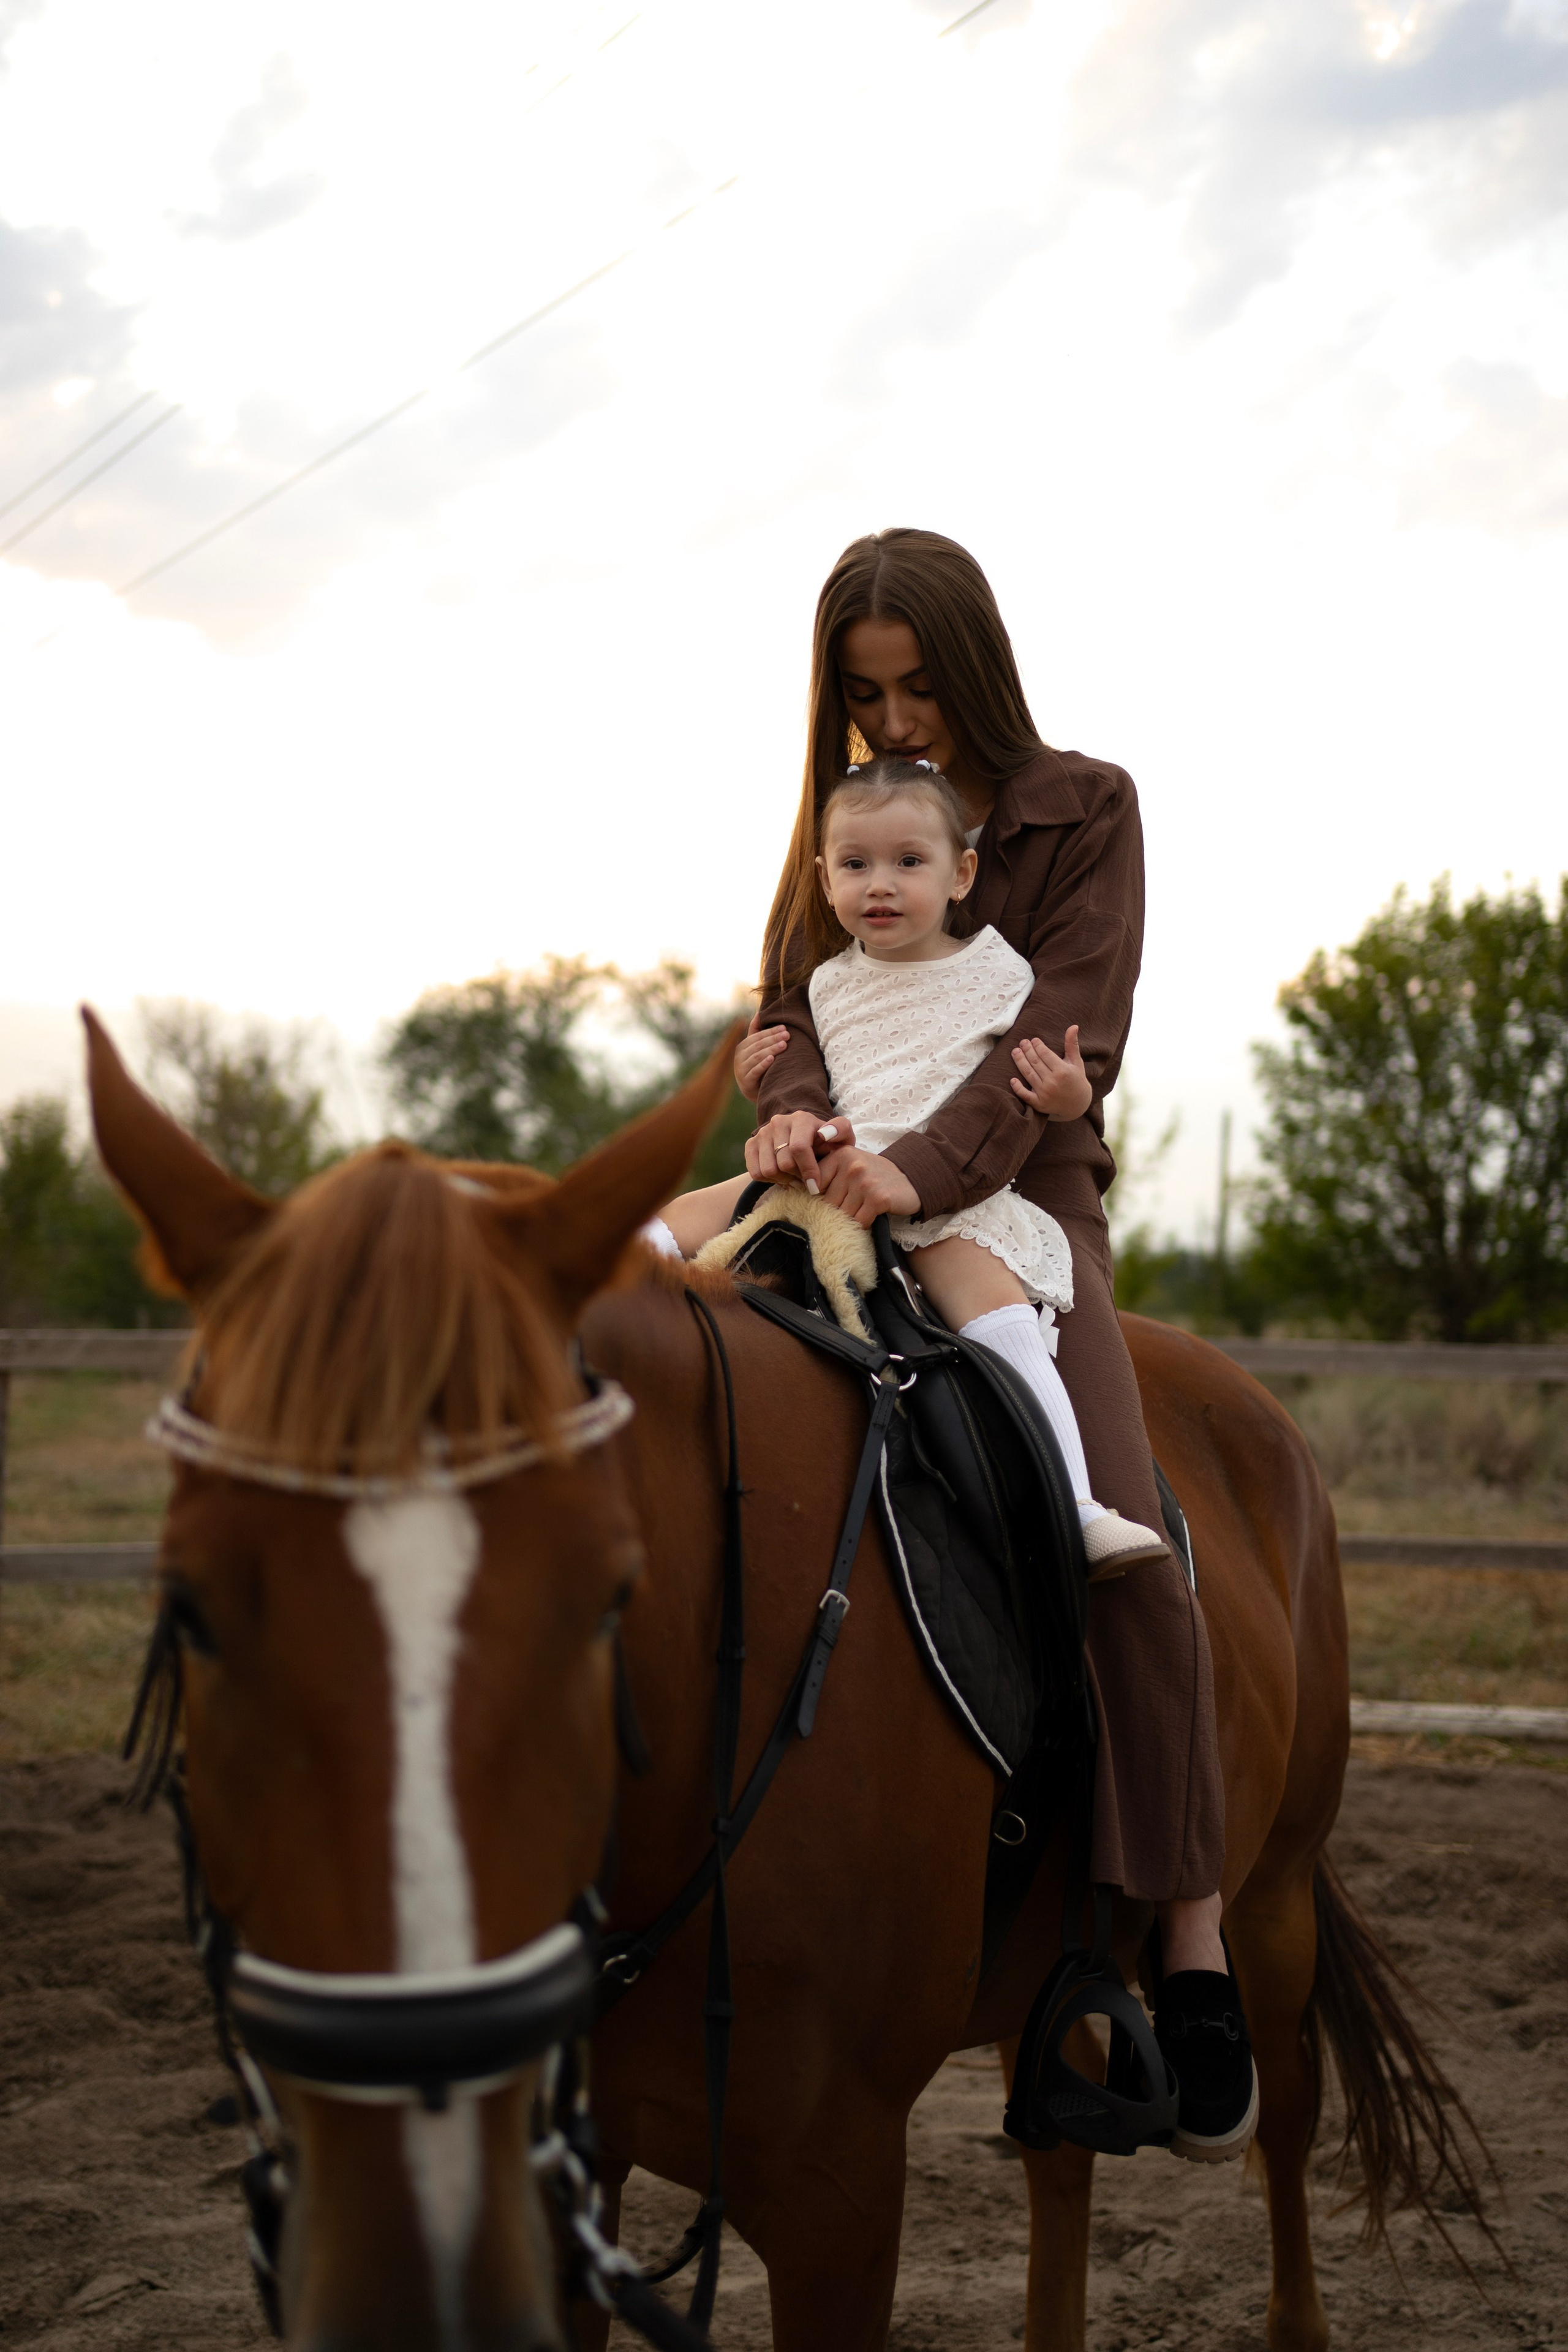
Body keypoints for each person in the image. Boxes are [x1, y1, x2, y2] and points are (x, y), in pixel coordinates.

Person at [734, 527, 1254, 2160]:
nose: (898, 724)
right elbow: (778, 1021)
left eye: (921, 685)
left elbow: (1055, 1042)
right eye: (865, 694)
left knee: (1122, 1535)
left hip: (1018, 1214)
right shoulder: (841, 830)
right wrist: (796, 1126)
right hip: (841, 1205)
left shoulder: (1084, 808)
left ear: (978, 663)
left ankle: (1184, 1940)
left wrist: (918, 1173)